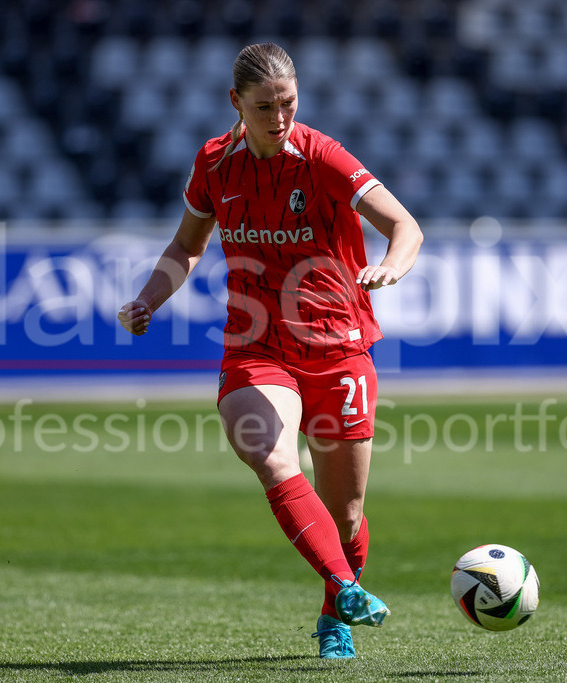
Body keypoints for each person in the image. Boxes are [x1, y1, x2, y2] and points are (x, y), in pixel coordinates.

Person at [118, 42, 422, 659]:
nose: (279, 118)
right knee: (274, 458)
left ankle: (333, 608)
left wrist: (391, 266)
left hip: (338, 344)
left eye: (288, 103)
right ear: (236, 103)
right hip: (255, 346)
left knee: (348, 513)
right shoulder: (214, 163)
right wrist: (149, 299)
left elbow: (405, 226)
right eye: (265, 107)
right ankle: (342, 585)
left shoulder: (323, 157)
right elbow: (186, 246)